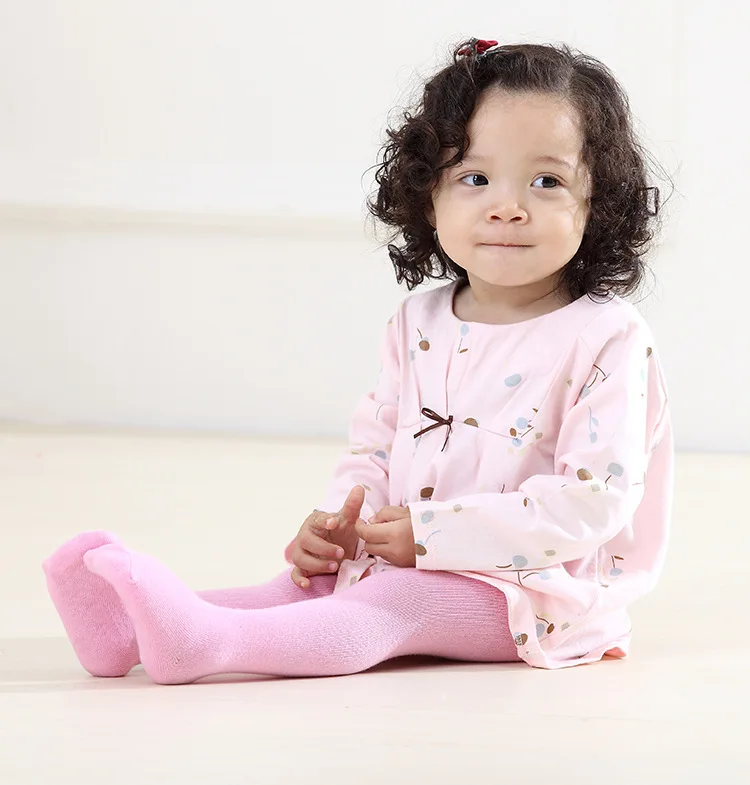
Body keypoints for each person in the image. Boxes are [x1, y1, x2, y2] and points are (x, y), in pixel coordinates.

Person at [42, 37, 674, 684]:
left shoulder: (605, 336)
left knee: (394, 601)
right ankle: (125, 632)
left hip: (535, 596)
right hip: (409, 555)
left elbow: (593, 501)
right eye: (474, 178)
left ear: (599, 203)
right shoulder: (419, 320)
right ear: (428, 195)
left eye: (547, 182)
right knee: (310, 587)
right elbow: (375, 445)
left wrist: (432, 533)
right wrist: (344, 523)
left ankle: (211, 644)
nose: (507, 207)